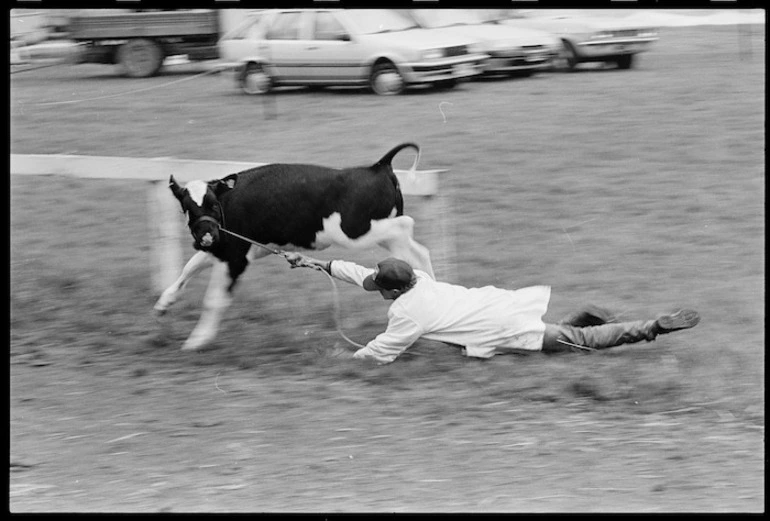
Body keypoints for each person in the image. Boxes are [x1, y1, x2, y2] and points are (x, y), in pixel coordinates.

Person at [284, 253, 700, 364]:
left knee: (581, 344)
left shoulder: (407, 315)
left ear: (393, 292)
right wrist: (316, 263)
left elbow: (381, 352)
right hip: (499, 304)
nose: (374, 288)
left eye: (380, 287)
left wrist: (345, 359)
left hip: (503, 330)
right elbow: (360, 273)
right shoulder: (419, 278)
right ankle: (583, 315)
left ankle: (653, 327)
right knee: (563, 334)